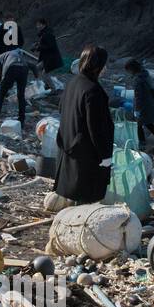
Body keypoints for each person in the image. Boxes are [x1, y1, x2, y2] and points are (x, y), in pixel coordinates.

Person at [54, 45, 113, 204]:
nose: (105, 68)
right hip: (86, 155)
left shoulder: (73, 83)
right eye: (104, 64)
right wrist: (105, 156)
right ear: (97, 65)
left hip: (68, 146)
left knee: (75, 193)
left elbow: (62, 109)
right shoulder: (93, 90)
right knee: (85, 198)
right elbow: (97, 129)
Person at [0, 45, 40, 126]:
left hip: (12, 68)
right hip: (24, 69)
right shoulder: (17, 55)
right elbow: (33, 66)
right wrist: (37, 78)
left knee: (1, 95)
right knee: (21, 96)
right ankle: (21, 120)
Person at [124, 59, 154, 148]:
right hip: (149, 102)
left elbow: (138, 96)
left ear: (131, 69)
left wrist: (137, 110)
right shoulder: (145, 74)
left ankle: (142, 143)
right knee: (147, 123)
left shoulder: (138, 80)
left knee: (139, 124)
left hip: (143, 105)